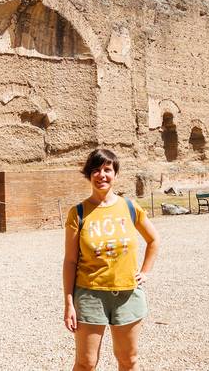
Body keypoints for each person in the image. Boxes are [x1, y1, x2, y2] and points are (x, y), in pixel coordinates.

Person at [63, 149, 160, 371]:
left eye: (107, 169)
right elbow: (70, 261)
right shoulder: (77, 213)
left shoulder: (129, 207)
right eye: (96, 170)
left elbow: (154, 240)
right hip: (90, 294)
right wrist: (69, 302)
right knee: (85, 363)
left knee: (129, 360)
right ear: (89, 175)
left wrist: (144, 272)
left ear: (115, 174)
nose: (102, 175)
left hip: (127, 294)